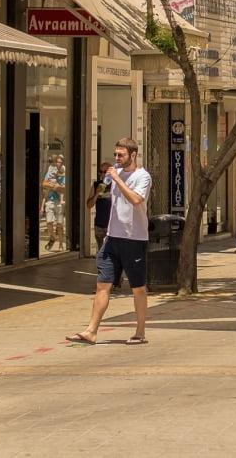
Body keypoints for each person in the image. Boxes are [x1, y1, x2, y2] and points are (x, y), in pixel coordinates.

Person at [66, 138, 152, 346]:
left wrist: (118, 179)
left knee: (137, 287)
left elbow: (135, 200)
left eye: (120, 155)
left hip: (134, 239)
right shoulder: (113, 175)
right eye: (115, 155)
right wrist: (99, 189)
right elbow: (104, 197)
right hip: (112, 238)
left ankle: (140, 331)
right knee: (102, 284)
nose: (116, 159)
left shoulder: (143, 176)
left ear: (133, 155)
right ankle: (91, 330)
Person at [85, 162, 113, 252]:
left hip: (112, 225)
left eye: (105, 172)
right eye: (100, 172)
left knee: (111, 251)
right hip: (99, 224)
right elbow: (89, 205)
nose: (102, 174)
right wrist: (96, 194)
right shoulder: (96, 185)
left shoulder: (116, 185)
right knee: (101, 250)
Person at [41, 155, 66, 251]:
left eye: (60, 162)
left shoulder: (64, 173)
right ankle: (52, 237)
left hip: (59, 202)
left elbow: (63, 187)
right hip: (50, 200)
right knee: (49, 222)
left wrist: (53, 186)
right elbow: (44, 183)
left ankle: (61, 243)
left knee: (59, 225)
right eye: (57, 162)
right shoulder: (50, 171)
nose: (58, 164)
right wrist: (54, 187)